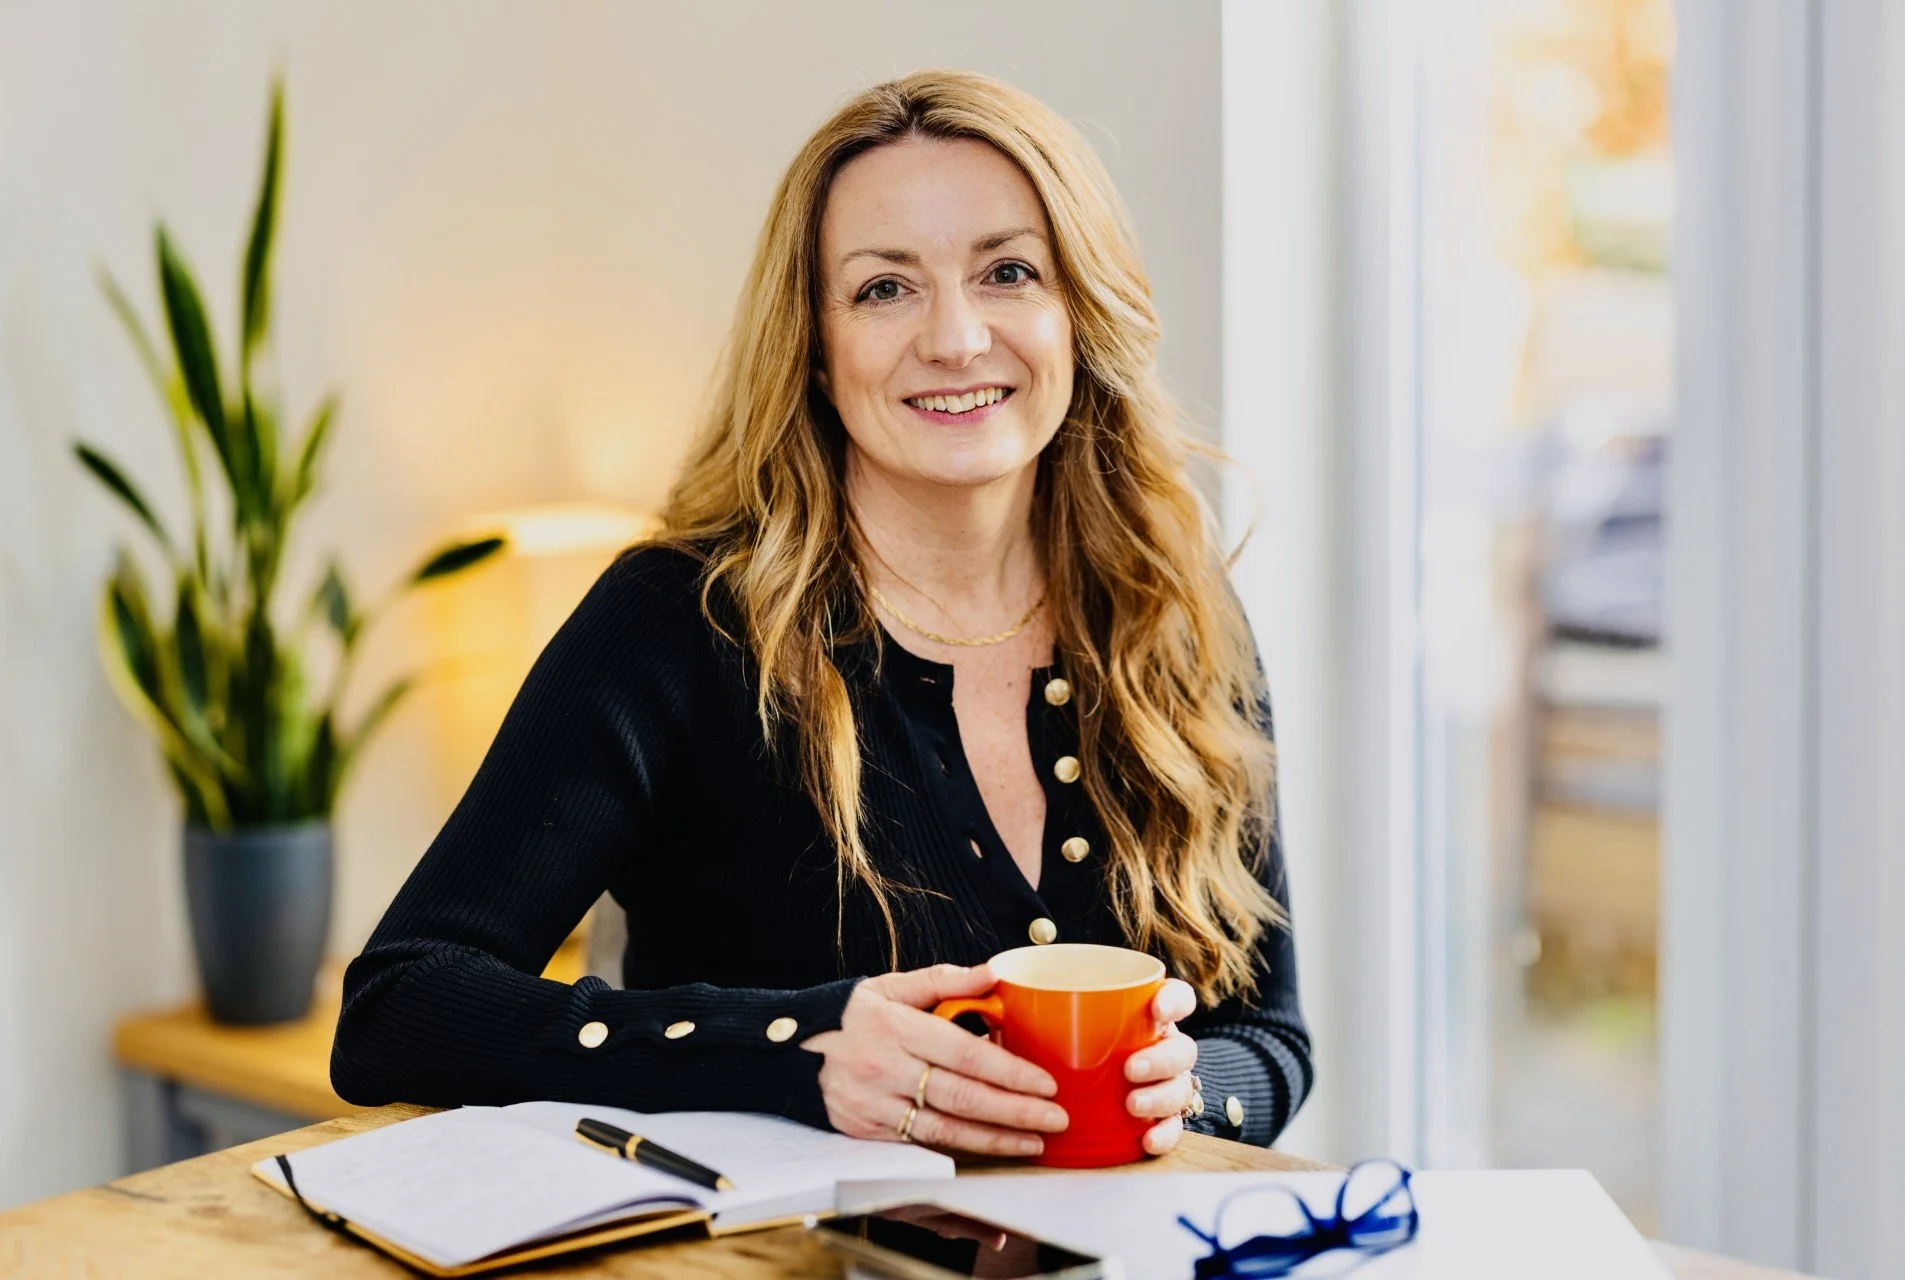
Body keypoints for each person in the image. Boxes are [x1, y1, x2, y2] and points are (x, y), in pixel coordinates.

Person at [331, 70, 1311, 1158]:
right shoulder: (678, 620)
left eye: (1009, 272)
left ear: (1078, 311)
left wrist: (1188, 1088)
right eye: (885, 289)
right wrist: (793, 1048)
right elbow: (397, 1007)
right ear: (814, 345)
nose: (955, 338)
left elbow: (1268, 1037)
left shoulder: (1174, 609)